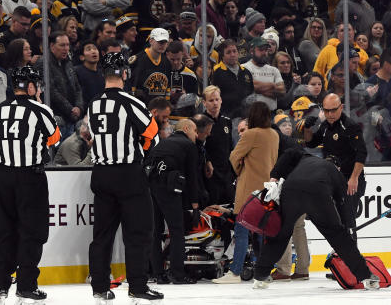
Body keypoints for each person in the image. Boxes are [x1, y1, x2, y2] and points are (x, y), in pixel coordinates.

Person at [87, 52, 162, 304]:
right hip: (128, 173)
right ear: (125, 73)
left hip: (101, 173)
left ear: (103, 75)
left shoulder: (94, 103)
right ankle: (138, 286)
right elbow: (153, 133)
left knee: (102, 235)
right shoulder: (131, 102)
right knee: (138, 232)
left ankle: (99, 287)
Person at [252, 148, 380, 290]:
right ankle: (366, 277)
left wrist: (274, 176)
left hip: (291, 189)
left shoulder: (305, 157)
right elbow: (342, 205)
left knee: (280, 236)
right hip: (317, 192)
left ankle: (260, 277)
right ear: (337, 167)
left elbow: (289, 153)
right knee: (337, 236)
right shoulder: (336, 174)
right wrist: (346, 226)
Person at [0, 66, 61, 305]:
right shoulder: (40, 109)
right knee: (33, 231)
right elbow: (54, 139)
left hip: (2, 176)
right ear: (31, 86)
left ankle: (1, 284)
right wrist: (40, 103)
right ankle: (26, 285)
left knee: (4, 230)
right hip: (29, 177)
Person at [214, 102, 282, 284]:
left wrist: (240, 170)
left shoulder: (251, 134)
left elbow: (234, 156)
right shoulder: (274, 135)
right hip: (267, 189)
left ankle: (235, 272)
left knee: (242, 230)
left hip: (248, 189)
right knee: (261, 231)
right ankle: (263, 272)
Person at [144, 118, 201, 285]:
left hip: (150, 187)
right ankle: (177, 274)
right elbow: (192, 177)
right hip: (168, 189)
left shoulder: (163, 143)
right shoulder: (188, 146)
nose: (196, 135)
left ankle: (158, 273)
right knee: (177, 230)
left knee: (155, 231)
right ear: (186, 128)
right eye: (195, 131)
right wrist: (195, 203)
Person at [304, 93, 366, 238]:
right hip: (331, 179)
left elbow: (361, 153)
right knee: (335, 220)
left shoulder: (350, 126)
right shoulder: (325, 126)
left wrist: (354, 178)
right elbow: (311, 143)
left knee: (348, 220)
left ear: (341, 108)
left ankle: (352, 256)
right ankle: (340, 253)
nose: (330, 114)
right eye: (326, 110)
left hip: (350, 180)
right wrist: (307, 128)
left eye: (333, 110)